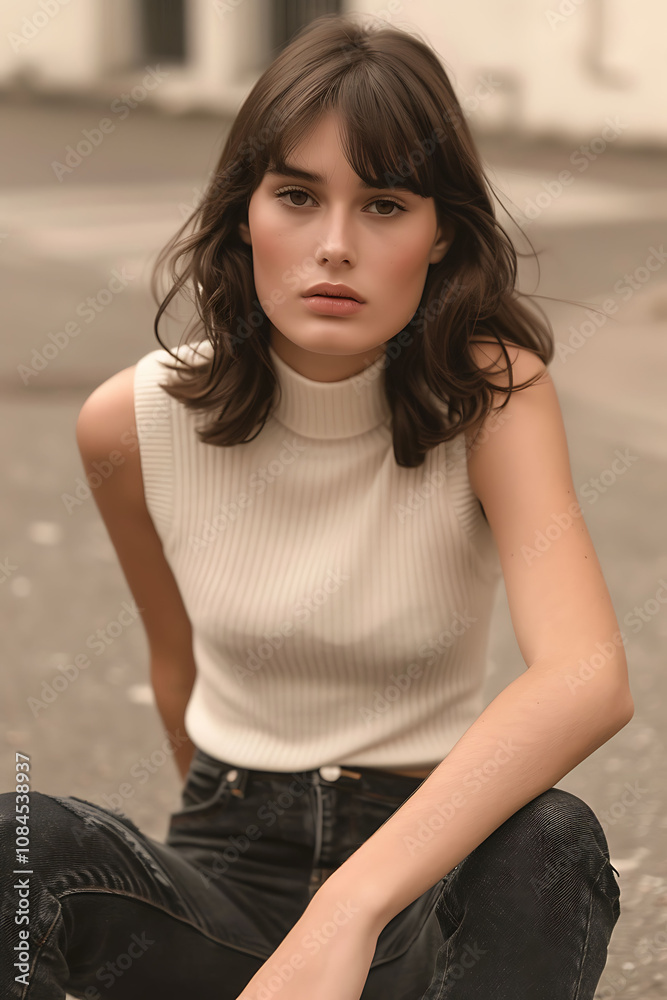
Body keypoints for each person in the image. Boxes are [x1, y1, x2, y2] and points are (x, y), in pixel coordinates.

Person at [0, 13, 632, 1000]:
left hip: (424, 880)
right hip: (227, 875)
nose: (333, 245)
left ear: (439, 239)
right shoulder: (131, 420)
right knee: (18, 840)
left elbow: (587, 674)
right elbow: (178, 670)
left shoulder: (491, 396)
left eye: (383, 205)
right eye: (296, 195)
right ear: (243, 212)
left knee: (552, 842)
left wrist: (350, 904)